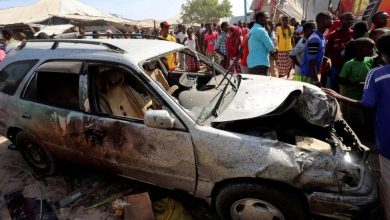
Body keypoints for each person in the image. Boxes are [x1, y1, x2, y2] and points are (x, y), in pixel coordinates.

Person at [323, 33, 390, 220]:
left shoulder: (376, 74)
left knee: (387, 178)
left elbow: (367, 104)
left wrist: (337, 96)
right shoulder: (356, 65)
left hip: (387, 136)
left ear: (380, 52)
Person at [338, 38, 374, 133]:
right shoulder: (349, 64)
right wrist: (357, 84)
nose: (372, 50)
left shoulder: (369, 60)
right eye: (370, 48)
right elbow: (341, 80)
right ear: (360, 49)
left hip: (363, 96)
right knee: (352, 119)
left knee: (363, 118)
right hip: (352, 97)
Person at [299, 12, 333, 85]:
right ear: (322, 22)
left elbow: (316, 54)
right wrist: (316, 80)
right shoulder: (315, 38)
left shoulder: (322, 37)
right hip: (308, 76)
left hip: (312, 74)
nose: (332, 21)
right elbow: (311, 61)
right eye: (330, 19)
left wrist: (327, 59)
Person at [325, 12, 354, 91]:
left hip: (350, 68)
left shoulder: (353, 34)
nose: (350, 21)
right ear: (341, 20)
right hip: (335, 67)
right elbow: (326, 52)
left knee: (345, 89)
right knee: (332, 89)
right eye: (347, 19)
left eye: (351, 19)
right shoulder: (332, 35)